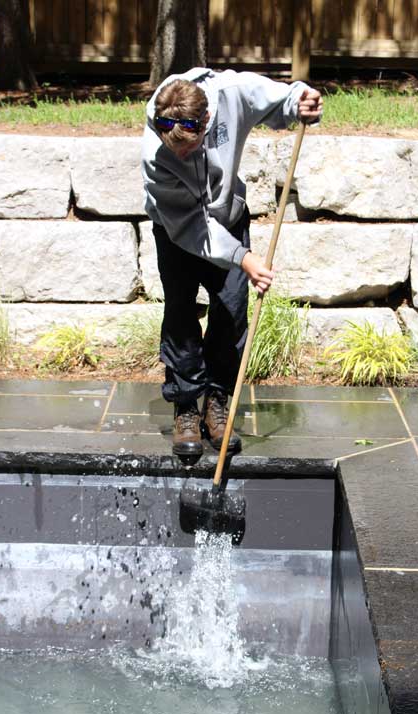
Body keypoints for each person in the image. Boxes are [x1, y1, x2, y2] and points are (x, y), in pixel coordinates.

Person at [141, 68, 322, 458]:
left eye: (190, 148)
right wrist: (244, 257)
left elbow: (281, 98)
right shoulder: (156, 152)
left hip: (228, 216)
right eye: (176, 150)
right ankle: (187, 405)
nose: (182, 155)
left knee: (233, 310)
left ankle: (217, 400)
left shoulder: (233, 93)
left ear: (207, 122)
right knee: (181, 314)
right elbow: (192, 226)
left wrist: (300, 101)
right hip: (177, 229)